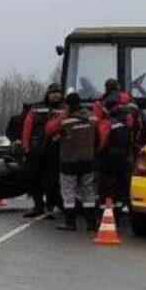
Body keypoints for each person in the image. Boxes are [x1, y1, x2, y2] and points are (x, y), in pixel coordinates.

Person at [45, 90, 101, 231]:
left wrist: (61, 116)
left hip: (69, 161)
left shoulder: (65, 119)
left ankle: (70, 222)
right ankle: (91, 222)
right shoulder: (92, 118)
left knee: (68, 192)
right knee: (88, 191)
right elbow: (98, 138)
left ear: (68, 105)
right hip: (88, 160)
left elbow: (49, 130)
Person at [21, 84, 65, 219]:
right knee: (34, 179)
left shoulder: (65, 108)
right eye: (53, 92)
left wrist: (60, 137)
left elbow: (68, 128)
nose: (56, 95)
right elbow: (28, 128)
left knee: (52, 181)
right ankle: (38, 206)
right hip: (36, 149)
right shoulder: (37, 108)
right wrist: (26, 146)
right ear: (48, 94)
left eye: (58, 92)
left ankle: (51, 207)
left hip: (55, 150)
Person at [97, 92, 139, 225]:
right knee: (121, 187)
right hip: (124, 156)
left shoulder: (107, 123)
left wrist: (98, 153)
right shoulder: (127, 120)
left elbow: (102, 142)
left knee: (107, 188)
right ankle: (119, 215)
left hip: (109, 158)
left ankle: (107, 216)